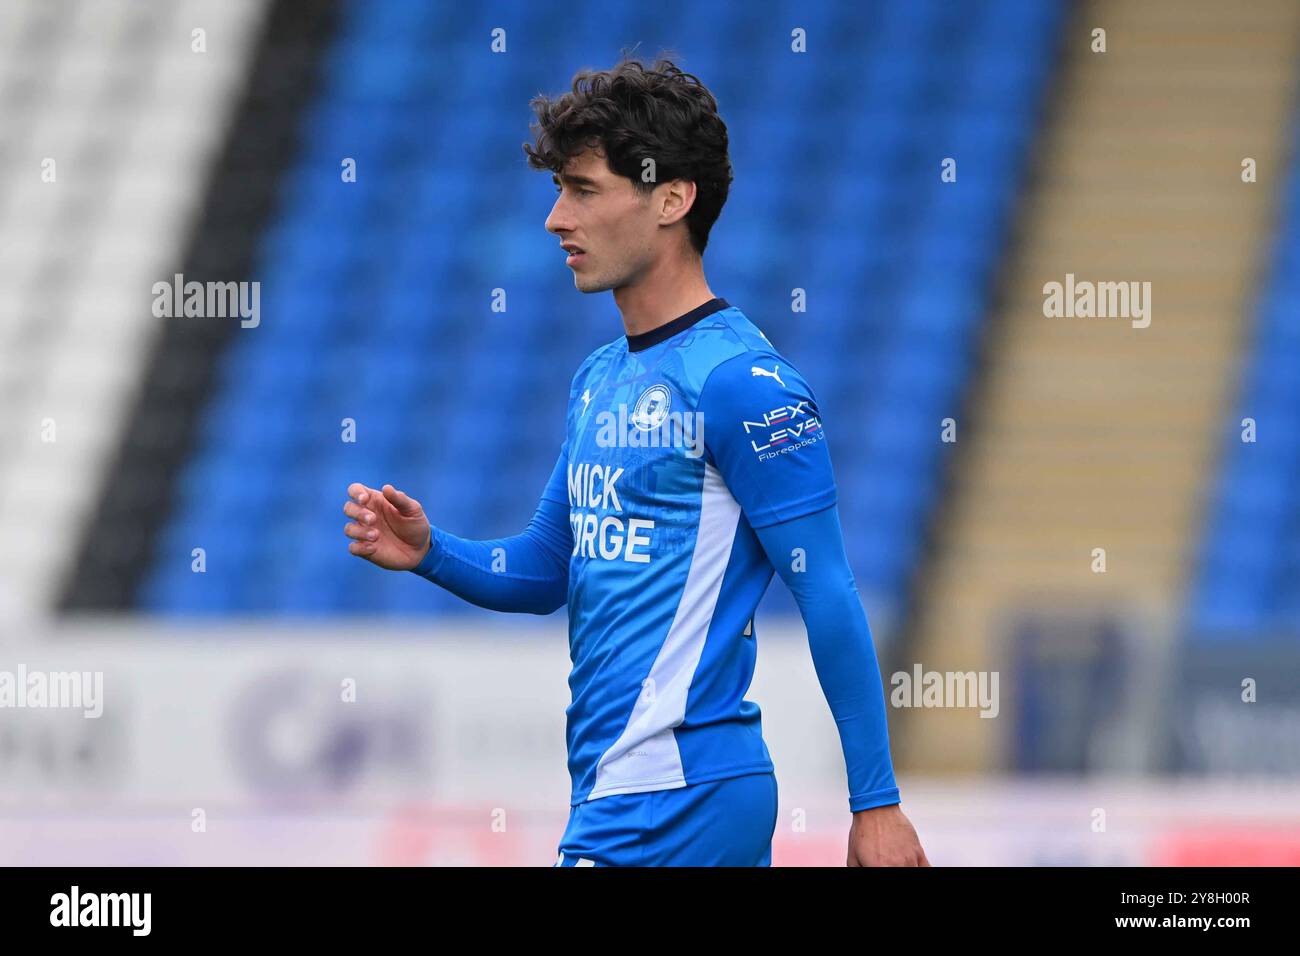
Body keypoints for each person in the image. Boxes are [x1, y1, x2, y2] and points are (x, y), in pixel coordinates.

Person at [345, 56, 928, 867]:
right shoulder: (600, 378)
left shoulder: (741, 385)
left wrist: (876, 803)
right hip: (629, 794)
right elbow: (548, 569)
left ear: (671, 198)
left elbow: (826, 584)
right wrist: (432, 552)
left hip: (677, 799)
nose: (555, 219)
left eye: (582, 190)